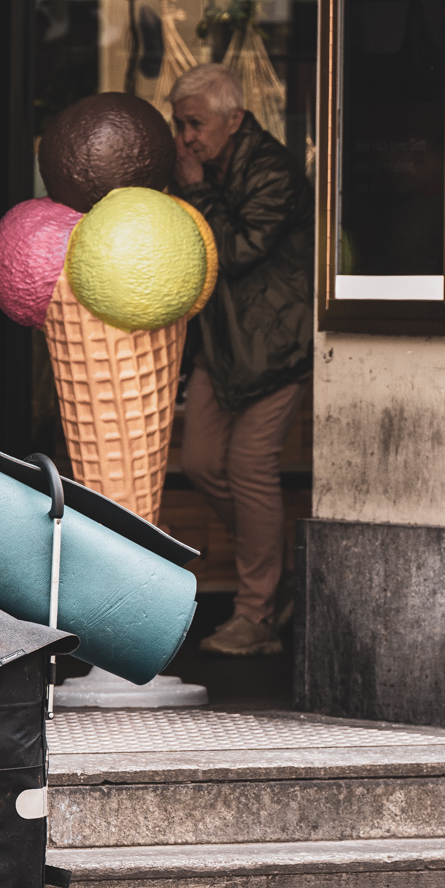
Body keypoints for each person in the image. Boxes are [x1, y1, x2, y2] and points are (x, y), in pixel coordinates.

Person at [170, 63, 313, 657]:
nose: (185, 138)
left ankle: (257, 612)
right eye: (179, 125)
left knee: (250, 466)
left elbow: (234, 250)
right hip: (226, 345)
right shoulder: (208, 164)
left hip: (277, 346)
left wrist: (194, 186)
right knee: (202, 462)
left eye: (195, 124)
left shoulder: (273, 169)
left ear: (234, 119)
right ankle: (274, 576)